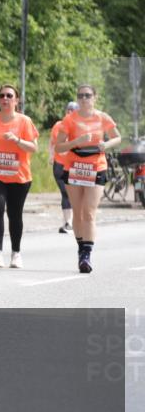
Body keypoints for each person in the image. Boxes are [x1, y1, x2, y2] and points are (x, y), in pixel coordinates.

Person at [55, 85, 121, 273]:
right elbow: (59, 147)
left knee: (89, 212)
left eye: (88, 95)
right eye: (80, 96)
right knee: (78, 212)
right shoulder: (70, 119)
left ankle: (86, 255)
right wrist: (76, 142)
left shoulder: (103, 117)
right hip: (75, 167)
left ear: (95, 97)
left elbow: (118, 137)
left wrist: (105, 144)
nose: (84, 99)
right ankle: (81, 248)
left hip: (96, 166)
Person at [0, 84, 39, 269]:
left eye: (9, 96)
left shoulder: (25, 121)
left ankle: (16, 253)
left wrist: (17, 140)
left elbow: (34, 147)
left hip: (19, 176)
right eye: (2, 96)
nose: (5, 99)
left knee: (14, 214)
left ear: (16, 100)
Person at [49, 101, 80, 233]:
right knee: (65, 192)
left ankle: (68, 222)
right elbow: (52, 143)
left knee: (68, 193)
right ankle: (68, 222)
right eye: (68, 110)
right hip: (58, 164)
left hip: (72, 165)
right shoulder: (58, 125)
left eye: (72, 110)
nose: (69, 112)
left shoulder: (79, 128)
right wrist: (50, 156)